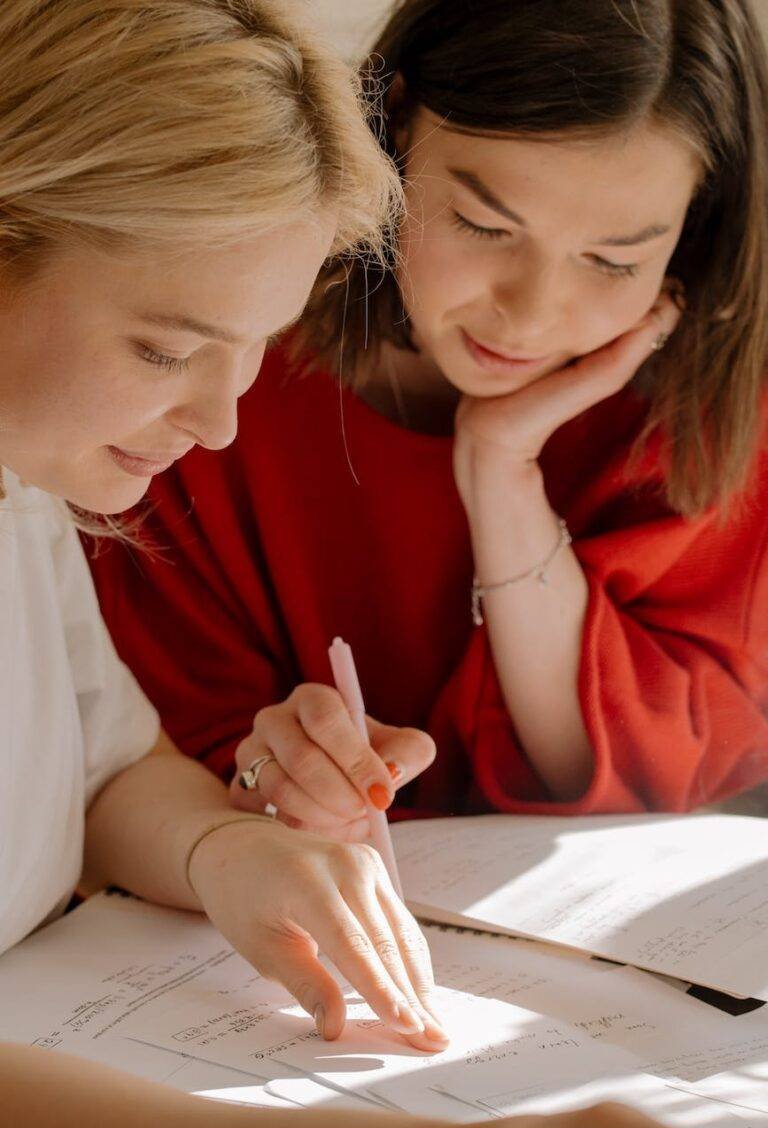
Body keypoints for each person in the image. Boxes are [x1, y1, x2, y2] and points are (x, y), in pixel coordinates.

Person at [89, 0, 768, 846]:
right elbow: (140, 759)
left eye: (613, 260)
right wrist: (277, 784)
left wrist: (501, 470)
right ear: (392, 126)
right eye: (484, 224)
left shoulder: (714, 412)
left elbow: (644, 786)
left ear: (693, 235)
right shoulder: (224, 369)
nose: (528, 316)